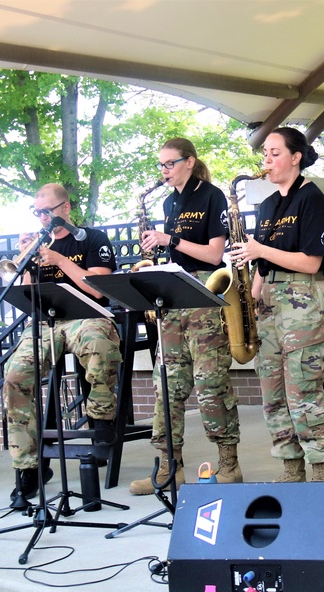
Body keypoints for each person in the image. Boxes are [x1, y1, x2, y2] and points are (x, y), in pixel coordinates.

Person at [128, 138, 243, 495]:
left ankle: (228, 463)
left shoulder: (211, 196)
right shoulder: (168, 201)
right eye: (160, 165)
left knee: (211, 383)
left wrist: (170, 239)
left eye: (169, 164)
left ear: (189, 162)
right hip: (172, 295)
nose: (163, 171)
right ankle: (168, 467)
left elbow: (213, 255)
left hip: (203, 291)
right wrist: (157, 247)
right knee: (167, 384)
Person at [228, 127, 324, 482]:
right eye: (265, 154)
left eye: (275, 153)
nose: (267, 161)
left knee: (303, 392)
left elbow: (311, 262)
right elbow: (262, 264)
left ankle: (322, 475)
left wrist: (260, 250)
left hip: (305, 301)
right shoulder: (269, 204)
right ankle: (292, 470)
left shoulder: (313, 198)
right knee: (272, 393)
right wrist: (249, 304)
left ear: (296, 157)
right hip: (271, 305)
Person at [2, 183, 122, 502]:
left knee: (100, 344)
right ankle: (28, 467)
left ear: (65, 209)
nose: (41, 218)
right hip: (48, 322)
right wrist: (26, 260)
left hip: (88, 317)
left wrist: (58, 260)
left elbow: (98, 289)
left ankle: (101, 418)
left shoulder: (93, 239)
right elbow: (27, 294)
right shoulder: (40, 245)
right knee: (15, 377)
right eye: (36, 212)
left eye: (47, 211)